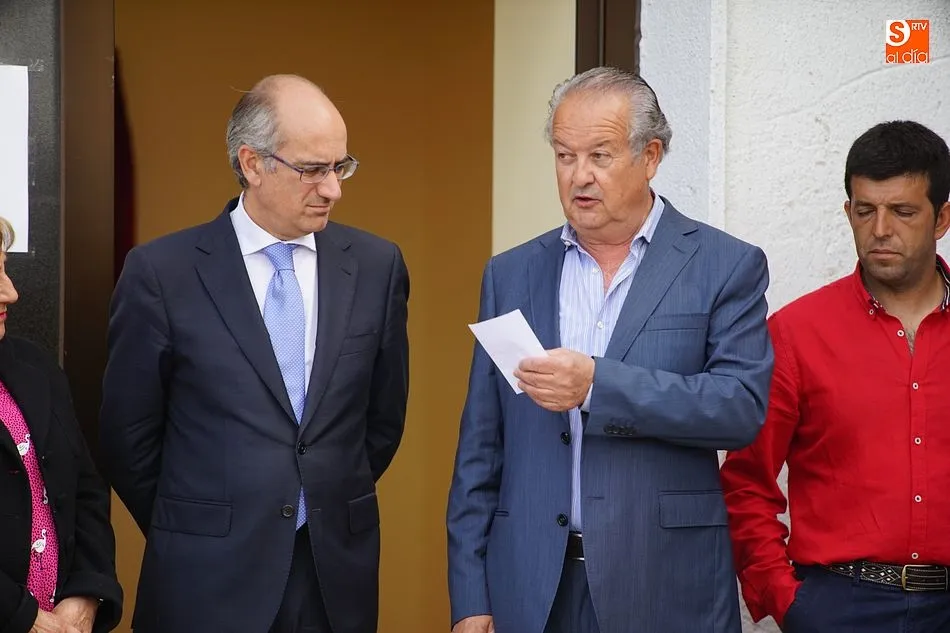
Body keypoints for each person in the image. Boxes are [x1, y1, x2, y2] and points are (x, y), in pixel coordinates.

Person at [446, 66, 773, 633]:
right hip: (531, 586)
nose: (580, 176)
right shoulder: (511, 273)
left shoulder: (724, 265)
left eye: (599, 155)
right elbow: (480, 445)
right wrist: (471, 596)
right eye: (564, 156)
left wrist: (598, 386)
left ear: (650, 156)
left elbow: (739, 408)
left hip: (663, 584)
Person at [99, 74, 410, 633]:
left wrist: (320, 496)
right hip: (204, 580)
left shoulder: (376, 266)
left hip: (332, 577)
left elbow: (381, 422)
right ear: (252, 163)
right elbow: (128, 437)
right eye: (313, 169)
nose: (333, 189)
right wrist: (202, 523)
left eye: (340, 167)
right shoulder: (163, 274)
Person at [721, 120, 950, 633]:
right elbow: (746, 480)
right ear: (848, 213)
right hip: (840, 605)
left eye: (903, 211)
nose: (881, 229)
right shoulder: (796, 334)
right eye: (865, 211)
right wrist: (787, 601)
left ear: (942, 218)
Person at [0, 217, 122, 633]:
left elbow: (85, 488)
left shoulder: (34, 365)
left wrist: (87, 596)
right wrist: (27, 620)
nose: (10, 292)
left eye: (4, 268)